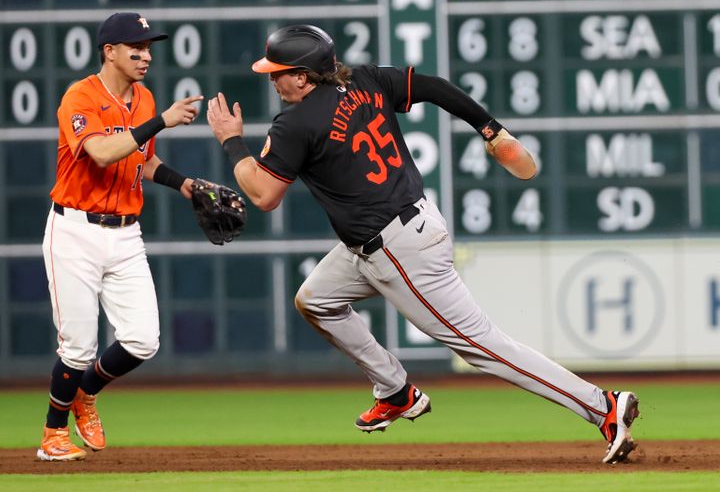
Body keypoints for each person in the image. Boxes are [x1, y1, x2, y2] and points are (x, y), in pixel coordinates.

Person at [206, 24, 640, 464]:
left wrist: (231, 141)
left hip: (397, 250)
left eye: (277, 72)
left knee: (483, 346)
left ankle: (602, 406)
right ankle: (394, 390)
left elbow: (263, 195)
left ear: (302, 76)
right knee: (316, 300)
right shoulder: (365, 79)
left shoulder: (295, 123)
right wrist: (488, 126)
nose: (271, 79)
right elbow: (432, 86)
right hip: (394, 233)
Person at [37, 12, 207, 461]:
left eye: (149, 47)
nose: (146, 55)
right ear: (109, 51)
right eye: (136, 47)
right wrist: (163, 122)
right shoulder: (80, 96)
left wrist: (183, 184)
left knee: (142, 340)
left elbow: (140, 161)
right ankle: (53, 436)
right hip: (74, 230)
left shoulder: (145, 99)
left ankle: (85, 395)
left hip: (126, 234)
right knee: (77, 346)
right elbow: (102, 152)